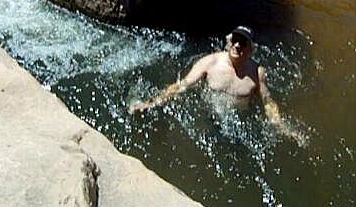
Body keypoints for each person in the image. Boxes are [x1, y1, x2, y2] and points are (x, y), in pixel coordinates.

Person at [130, 26, 303, 144]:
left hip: (238, 125)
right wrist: (151, 103)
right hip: (209, 117)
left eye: (243, 42)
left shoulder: (257, 73)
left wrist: (281, 126)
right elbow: (182, 85)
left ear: (251, 49)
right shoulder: (210, 63)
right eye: (235, 39)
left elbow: (267, 101)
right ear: (229, 41)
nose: (237, 45)